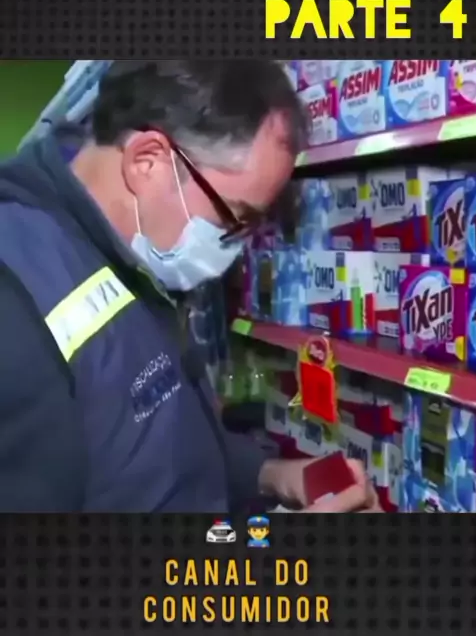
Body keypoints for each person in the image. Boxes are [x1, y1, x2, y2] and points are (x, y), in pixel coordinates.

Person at [0, 59, 380, 513]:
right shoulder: (16, 302)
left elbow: (168, 439)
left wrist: (270, 475)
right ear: (147, 161)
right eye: (232, 217)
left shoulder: (134, 253)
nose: (235, 246)